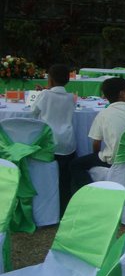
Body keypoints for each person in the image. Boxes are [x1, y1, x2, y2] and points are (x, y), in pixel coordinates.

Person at [70, 77, 125, 194]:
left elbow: (96, 143)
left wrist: (96, 154)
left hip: (114, 160)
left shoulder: (103, 114)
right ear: (122, 94)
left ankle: (89, 193)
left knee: (75, 164)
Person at [32, 63, 76, 213]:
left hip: (49, 142)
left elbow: (33, 112)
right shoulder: (71, 97)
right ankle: (64, 207)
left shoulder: (44, 95)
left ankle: (47, 208)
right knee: (64, 178)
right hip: (67, 143)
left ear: (49, 79)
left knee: (46, 176)